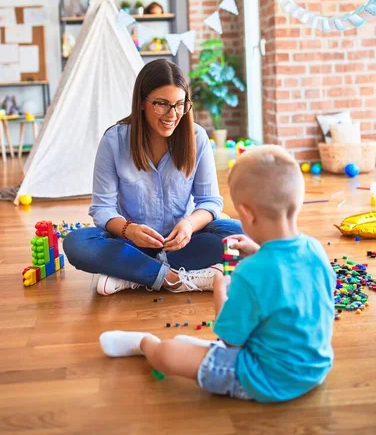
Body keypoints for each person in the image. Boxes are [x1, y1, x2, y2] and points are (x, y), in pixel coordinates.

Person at [99, 145, 336, 404]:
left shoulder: (249, 272)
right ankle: (195, 350)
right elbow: (295, 283)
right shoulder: (314, 249)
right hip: (315, 368)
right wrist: (258, 250)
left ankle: (145, 343)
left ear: (245, 213)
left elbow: (230, 341)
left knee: (169, 352)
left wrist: (221, 292)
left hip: (266, 377)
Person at [64, 59, 243, 296]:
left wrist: (189, 225)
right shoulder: (114, 141)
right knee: (76, 243)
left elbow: (210, 202)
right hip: (131, 243)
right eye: (162, 104)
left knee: (239, 233)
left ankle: (132, 276)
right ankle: (173, 278)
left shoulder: (197, 137)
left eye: (180, 104)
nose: (173, 114)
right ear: (141, 103)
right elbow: (102, 209)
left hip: (184, 243)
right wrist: (129, 230)